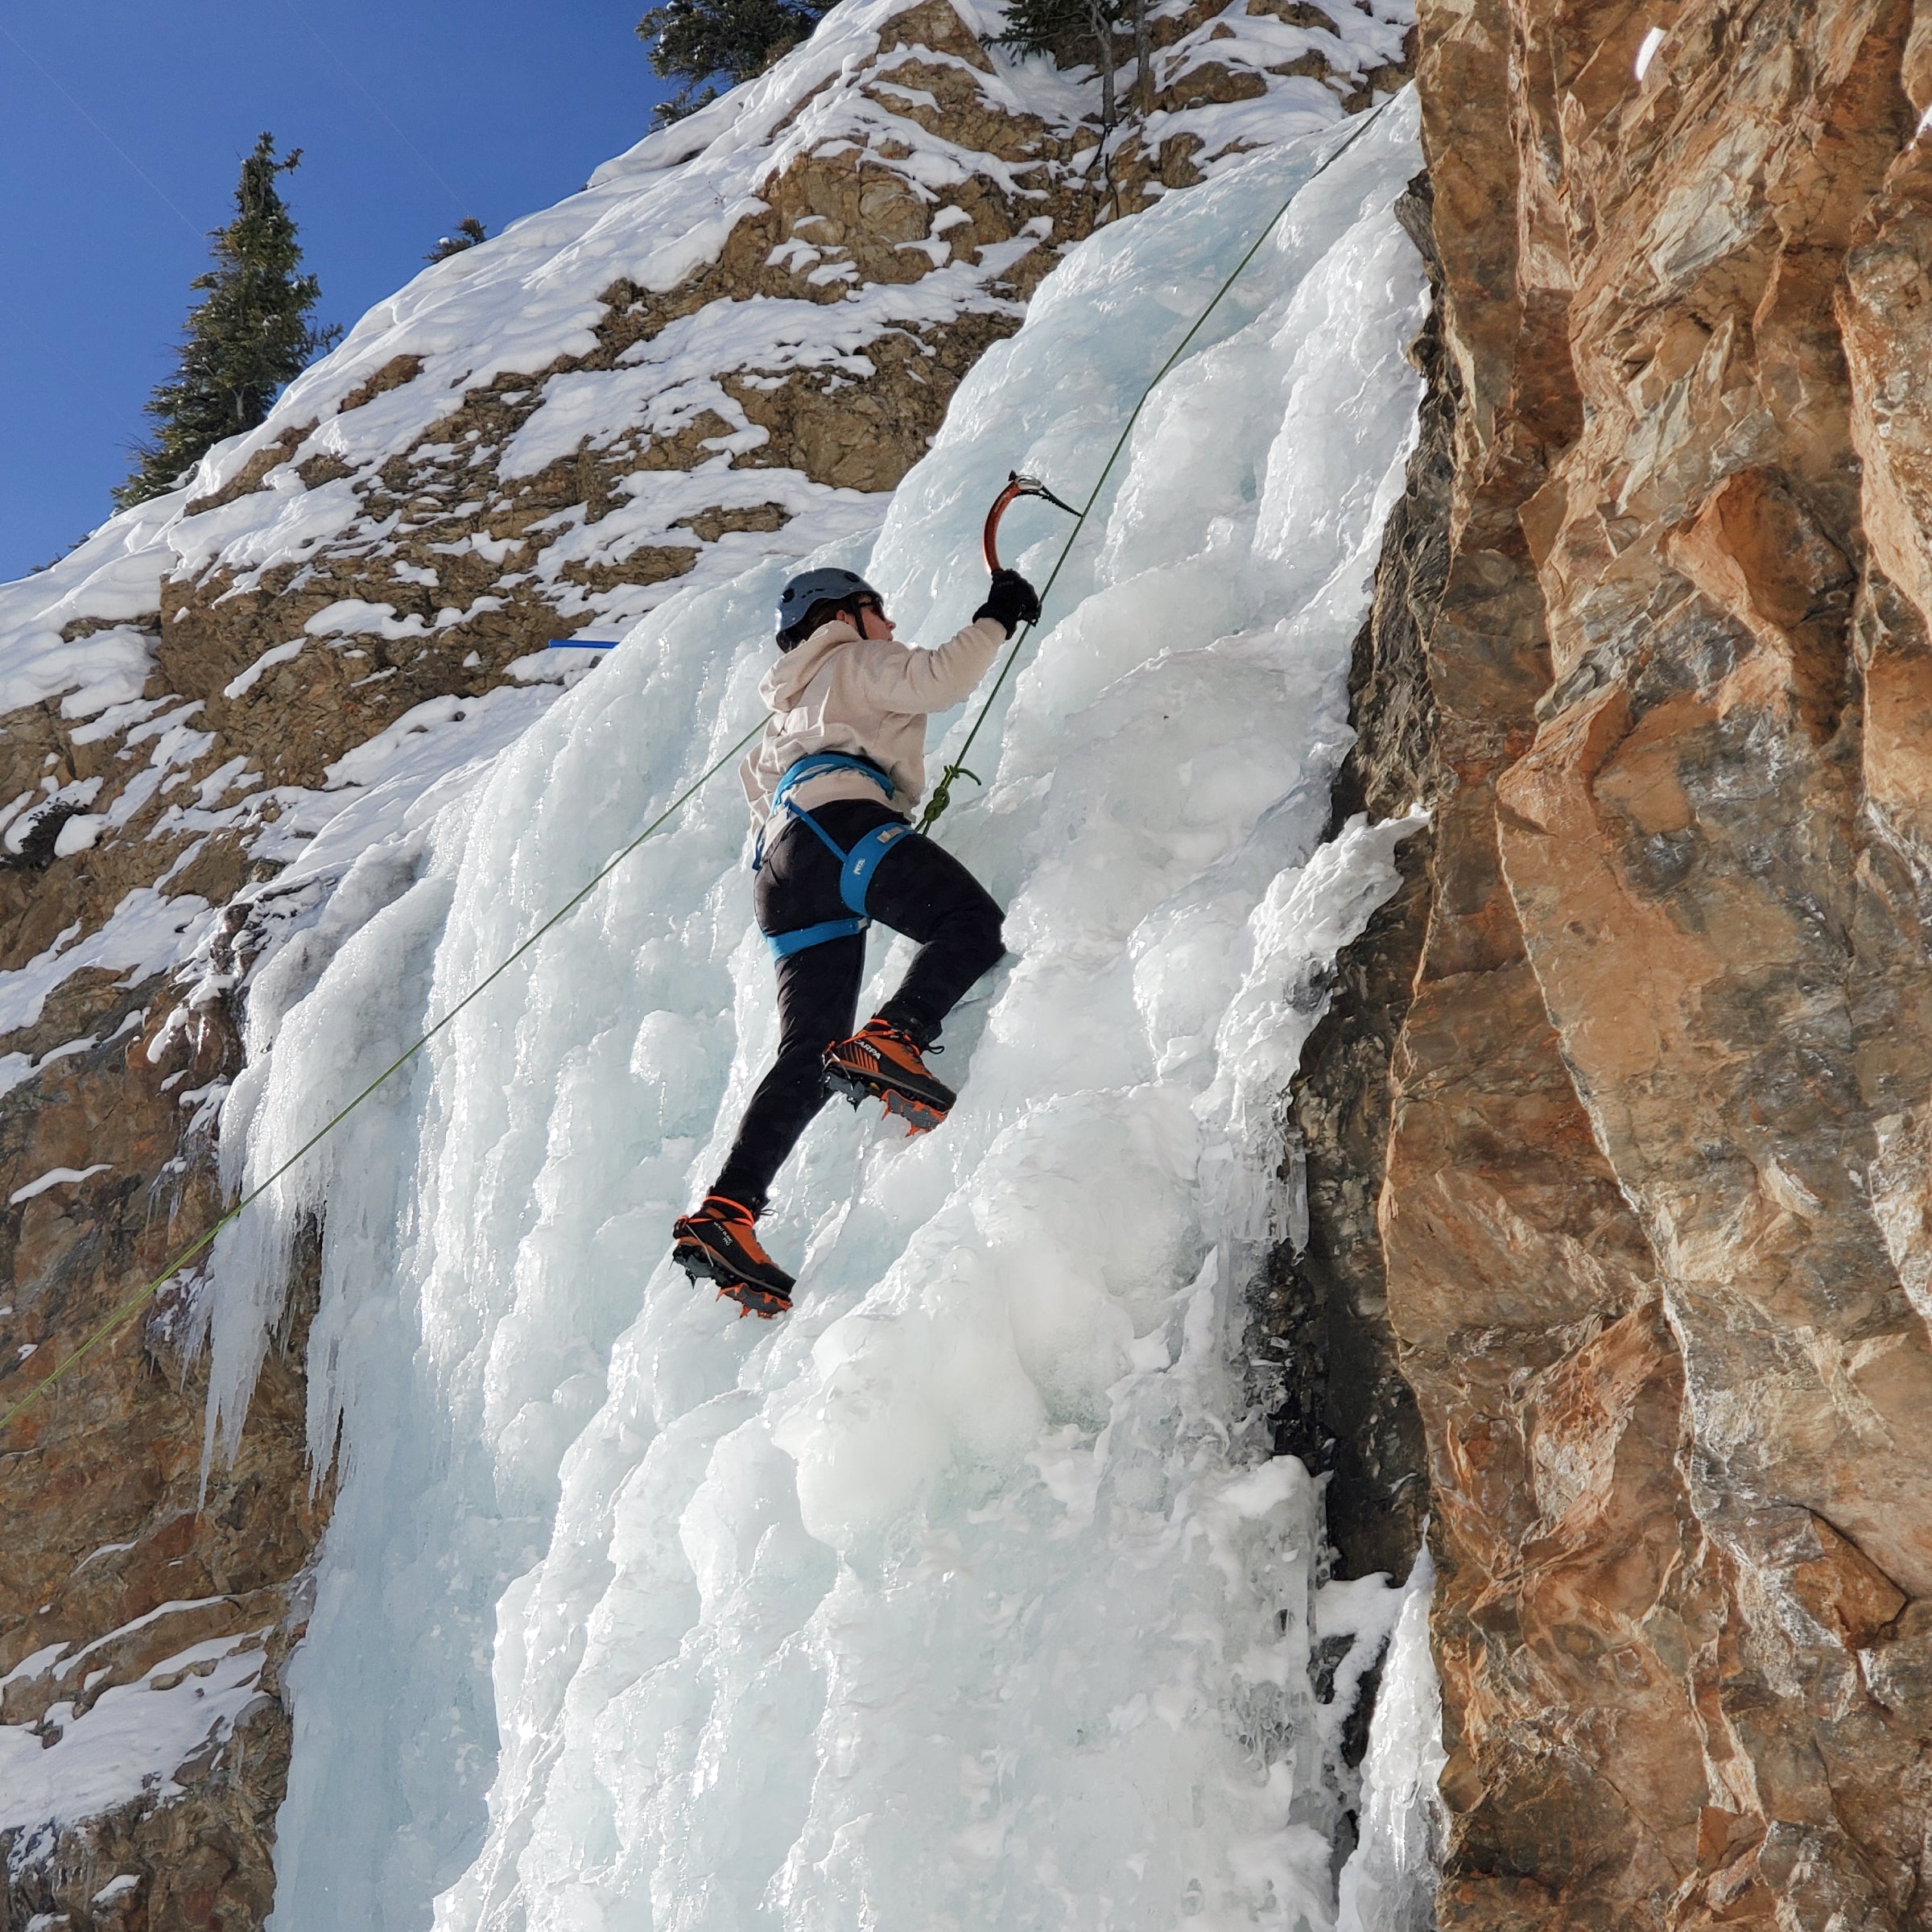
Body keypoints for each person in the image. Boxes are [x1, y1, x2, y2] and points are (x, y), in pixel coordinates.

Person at [671, 561, 1041, 1318]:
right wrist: (997, 614)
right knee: (970, 925)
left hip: (781, 871)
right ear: (843, 612)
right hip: (839, 831)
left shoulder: (788, 709)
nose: (892, 625)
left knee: (806, 1053)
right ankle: (896, 1037)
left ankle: (726, 1215)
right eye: (881, 609)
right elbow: (940, 677)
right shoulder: (849, 656)